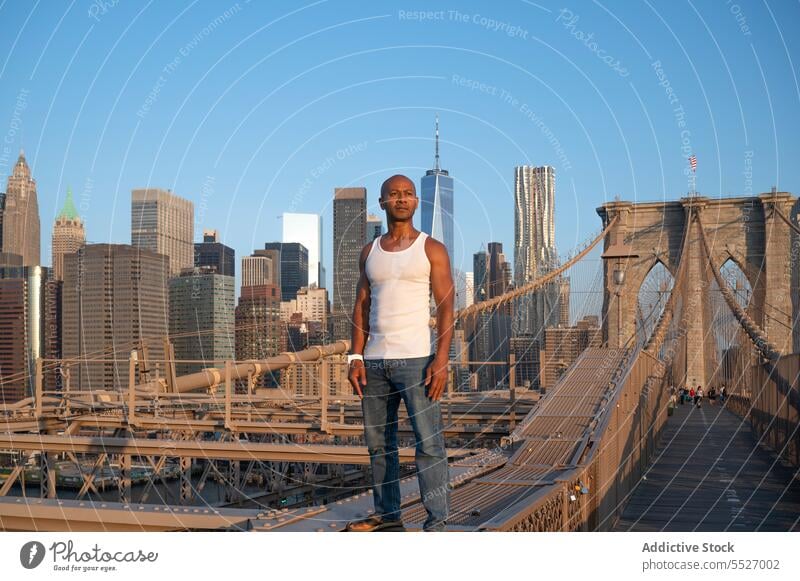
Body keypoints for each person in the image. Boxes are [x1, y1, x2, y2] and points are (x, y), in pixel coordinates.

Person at [346, 174, 454, 532]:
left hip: (418, 361)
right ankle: (388, 516)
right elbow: (361, 306)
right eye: (394, 194)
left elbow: (446, 307)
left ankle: (437, 522)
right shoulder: (370, 251)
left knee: (429, 444)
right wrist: (355, 358)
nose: (402, 199)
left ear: (415, 202)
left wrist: (441, 360)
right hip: (374, 362)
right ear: (383, 203)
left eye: (408, 194)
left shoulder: (432, 249)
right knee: (379, 445)